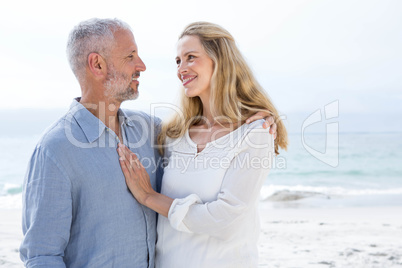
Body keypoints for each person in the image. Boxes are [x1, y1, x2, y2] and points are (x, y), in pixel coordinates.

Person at [19, 18, 277, 267]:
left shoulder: (155, 132)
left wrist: (259, 121)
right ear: (97, 64)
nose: (141, 65)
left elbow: (218, 149)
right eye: (130, 56)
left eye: (189, 57)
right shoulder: (55, 150)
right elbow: (42, 255)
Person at [117, 21, 288, 268]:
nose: (181, 69)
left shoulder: (254, 133)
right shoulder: (174, 135)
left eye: (190, 57)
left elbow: (226, 220)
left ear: (220, 60)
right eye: (178, 61)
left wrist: (149, 197)